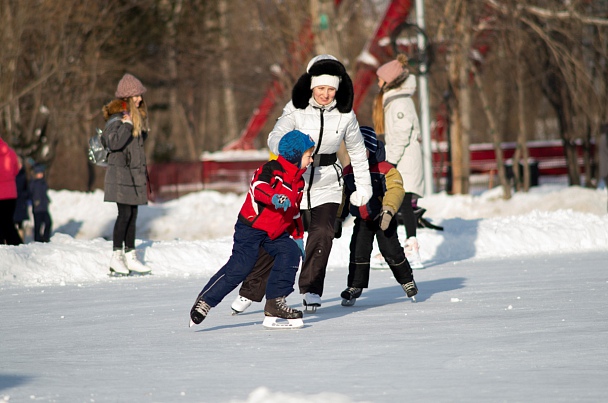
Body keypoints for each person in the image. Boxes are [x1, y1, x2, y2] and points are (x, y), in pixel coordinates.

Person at [231, 54, 373, 313]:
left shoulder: (345, 115)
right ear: (311, 86)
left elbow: (357, 151)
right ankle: (251, 290)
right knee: (276, 234)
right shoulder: (295, 109)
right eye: (321, 88)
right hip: (293, 183)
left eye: (331, 89)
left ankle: (311, 289)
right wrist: (289, 151)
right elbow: (275, 136)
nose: (326, 94)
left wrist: (363, 187)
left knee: (323, 233)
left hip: (328, 182)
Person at [189, 130, 315, 329]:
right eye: (308, 156)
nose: (311, 160)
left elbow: (294, 211)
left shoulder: (299, 182)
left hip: (275, 233)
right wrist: (273, 197)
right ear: (295, 155)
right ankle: (206, 300)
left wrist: (298, 236)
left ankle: (275, 302)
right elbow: (258, 187)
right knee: (240, 267)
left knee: (289, 252)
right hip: (251, 228)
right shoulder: (272, 169)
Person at [339, 126, 417, 306]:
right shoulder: (349, 171)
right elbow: (344, 196)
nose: (357, 154)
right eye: (354, 150)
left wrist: (388, 210)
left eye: (362, 149)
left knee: (391, 250)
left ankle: (406, 280)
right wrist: (337, 218)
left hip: (384, 218)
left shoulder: (385, 169)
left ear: (372, 148)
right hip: (363, 219)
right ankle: (354, 286)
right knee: (358, 250)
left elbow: (395, 190)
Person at [373, 54, 425, 269]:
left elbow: (402, 134)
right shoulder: (396, 100)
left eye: (380, 79)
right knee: (401, 204)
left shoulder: (400, 102)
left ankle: (406, 250)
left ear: (390, 81)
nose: (378, 82)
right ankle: (401, 249)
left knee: (399, 203)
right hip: (403, 159)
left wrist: (390, 162)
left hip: (405, 160)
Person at [102, 73, 151, 276]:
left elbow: (134, 146)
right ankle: (116, 257)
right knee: (124, 215)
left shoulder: (133, 116)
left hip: (133, 174)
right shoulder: (118, 118)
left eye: (140, 95)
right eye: (136, 96)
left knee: (132, 214)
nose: (140, 99)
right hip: (120, 175)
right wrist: (128, 125)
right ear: (126, 98)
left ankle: (130, 255)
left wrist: (142, 130)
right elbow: (114, 143)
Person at [0, 137, 23, 245]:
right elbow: (16, 170)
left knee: (4, 223)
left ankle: (13, 246)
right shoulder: (10, 153)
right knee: (8, 221)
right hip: (11, 194)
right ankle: (15, 246)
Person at [29, 164, 53, 242]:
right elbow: (30, 193)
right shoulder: (33, 183)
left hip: (44, 207)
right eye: (39, 173)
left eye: (41, 173)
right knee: (38, 225)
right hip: (37, 208)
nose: (40, 175)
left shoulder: (43, 183)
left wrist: (47, 199)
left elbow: (44, 193)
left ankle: (45, 237)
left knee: (48, 222)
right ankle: (37, 239)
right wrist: (35, 201)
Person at [13, 159, 30, 242]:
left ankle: (20, 240)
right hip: (12, 202)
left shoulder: (23, 176)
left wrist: (25, 197)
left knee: (20, 224)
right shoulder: (11, 175)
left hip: (21, 203)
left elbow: (27, 189)